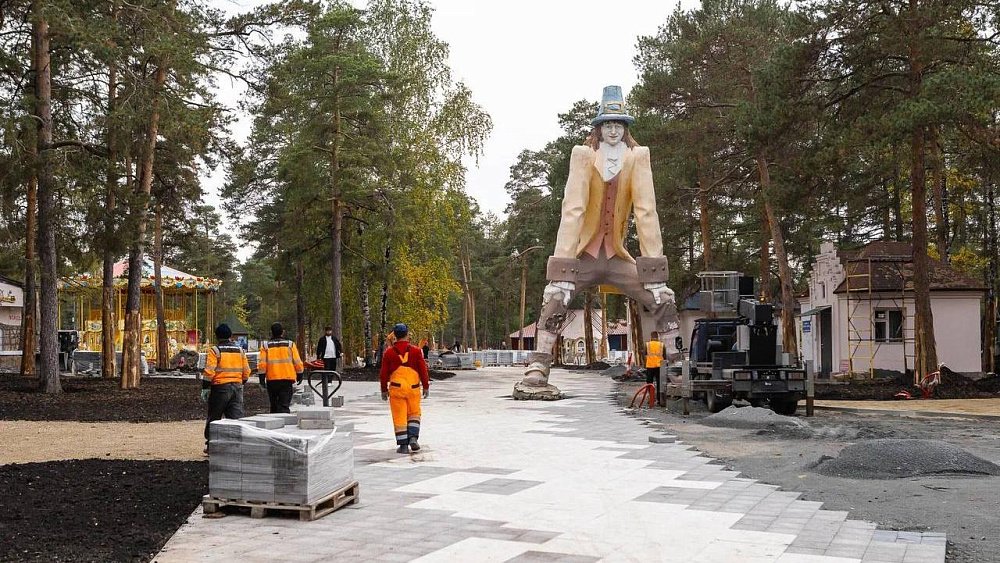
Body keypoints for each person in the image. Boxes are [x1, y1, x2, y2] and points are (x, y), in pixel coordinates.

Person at [518, 85, 680, 396]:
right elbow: (573, 209)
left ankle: (676, 365)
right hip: (585, 256)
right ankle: (537, 366)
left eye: (618, 124)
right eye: (607, 124)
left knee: (661, 297)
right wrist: (563, 267)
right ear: (598, 128)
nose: (613, 130)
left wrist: (654, 272)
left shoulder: (637, 158)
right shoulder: (583, 156)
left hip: (617, 256)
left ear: (626, 128)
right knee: (557, 296)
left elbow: (646, 211)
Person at [379, 323, 430, 454]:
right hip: (413, 388)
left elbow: (383, 373)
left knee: (399, 415)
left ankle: (403, 446)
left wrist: (384, 390)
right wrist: (426, 386)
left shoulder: (389, 352)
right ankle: (413, 437)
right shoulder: (416, 351)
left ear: (394, 336)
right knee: (414, 413)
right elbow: (423, 370)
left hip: (396, 389)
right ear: (407, 335)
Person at [202, 323, 251, 454]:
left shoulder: (215, 350)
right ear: (230, 335)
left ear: (217, 336)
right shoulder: (240, 350)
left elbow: (209, 371)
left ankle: (212, 446)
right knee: (236, 418)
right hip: (237, 387)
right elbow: (246, 370)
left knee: (214, 417)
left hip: (220, 387)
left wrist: (205, 387)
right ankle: (236, 446)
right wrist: (241, 382)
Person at [258, 322, 304, 414]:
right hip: (287, 380)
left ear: (271, 332)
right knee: (284, 405)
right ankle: (284, 420)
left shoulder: (266, 346)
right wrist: (300, 374)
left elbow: (262, 364)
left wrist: (262, 380)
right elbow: (297, 362)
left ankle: (274, 421)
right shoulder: (290, 345)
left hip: (272, 380)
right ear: (283, 332)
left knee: (274, 406)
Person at [645, 330, 662, 402]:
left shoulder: (647, 345)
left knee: (649, 382)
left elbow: (645, 354)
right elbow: (664, 356)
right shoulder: (661, 345)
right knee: (659, 383)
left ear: (651, 337)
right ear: (657, 337)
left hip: (650, 366)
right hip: (659, 366)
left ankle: (652, 398)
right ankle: (659, 399)